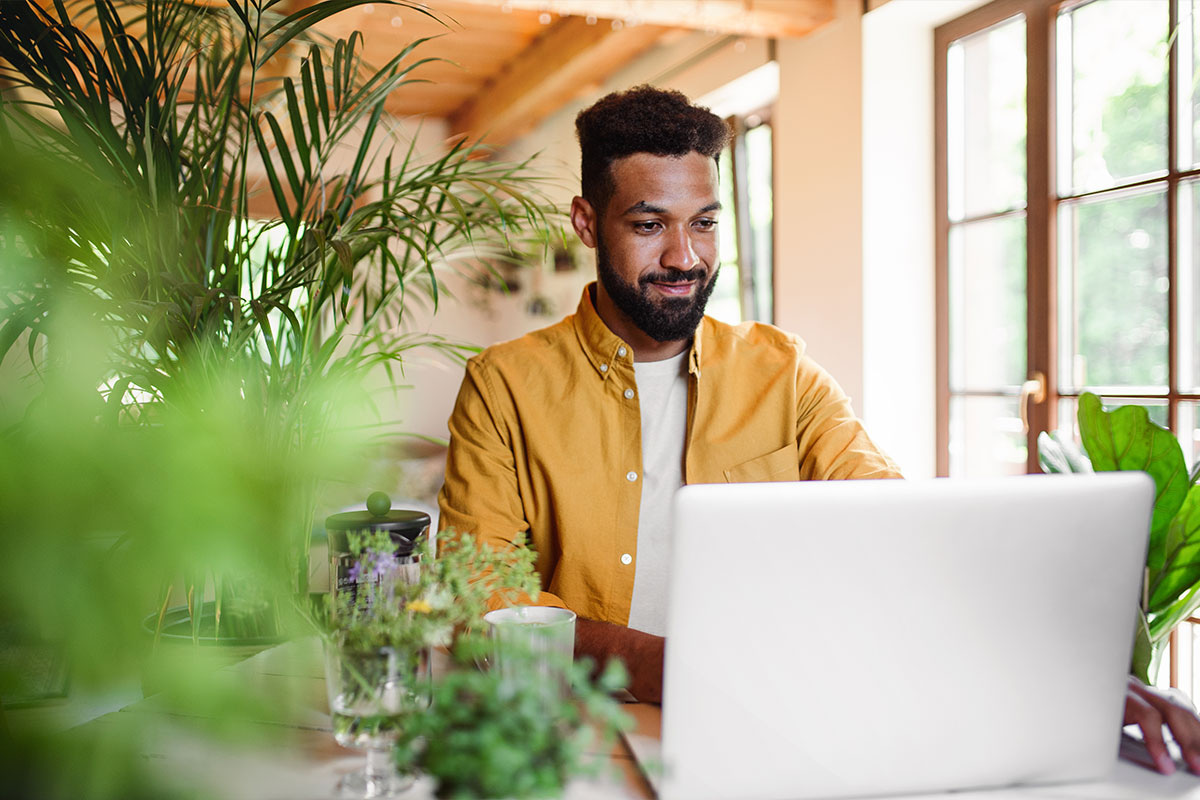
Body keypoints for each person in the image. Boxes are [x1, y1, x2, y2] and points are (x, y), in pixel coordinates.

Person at [438, 85, 1200, 774]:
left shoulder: (783, 371)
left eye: (704, 224)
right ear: (586, 221)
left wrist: (1072, 672)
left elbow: (898, 535)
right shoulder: (504, 386)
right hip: (582, 740)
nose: (684, 257)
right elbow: (486, 608)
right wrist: (683, 668)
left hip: (784, 732)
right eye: (649, 225)